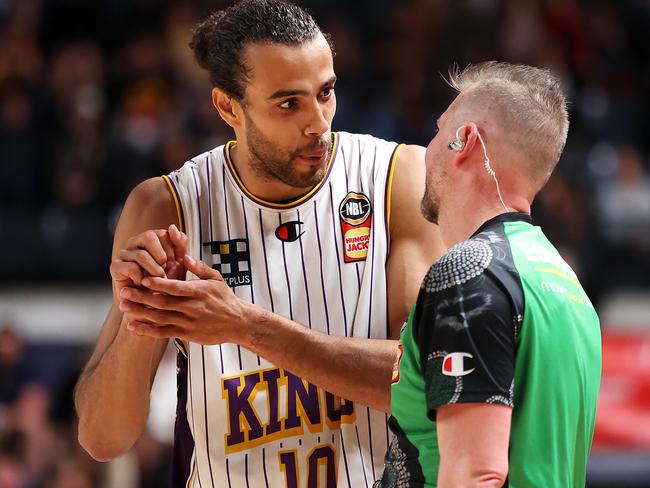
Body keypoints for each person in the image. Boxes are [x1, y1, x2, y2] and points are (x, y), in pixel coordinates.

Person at [73, 1, 443, 487]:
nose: (318, 123)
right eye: (289, 103)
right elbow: (104, 439)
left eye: (326, 93)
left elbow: (425, 383)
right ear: (228, 107)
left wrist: (247, 326)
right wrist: (146, 313)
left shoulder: (398, 179)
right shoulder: (165, 206)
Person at [377, 62, 601, 487]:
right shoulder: (566, 284)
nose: (427, 146)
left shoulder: (467, 274)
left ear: (465, 142)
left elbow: (477, 474)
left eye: (440, 130)